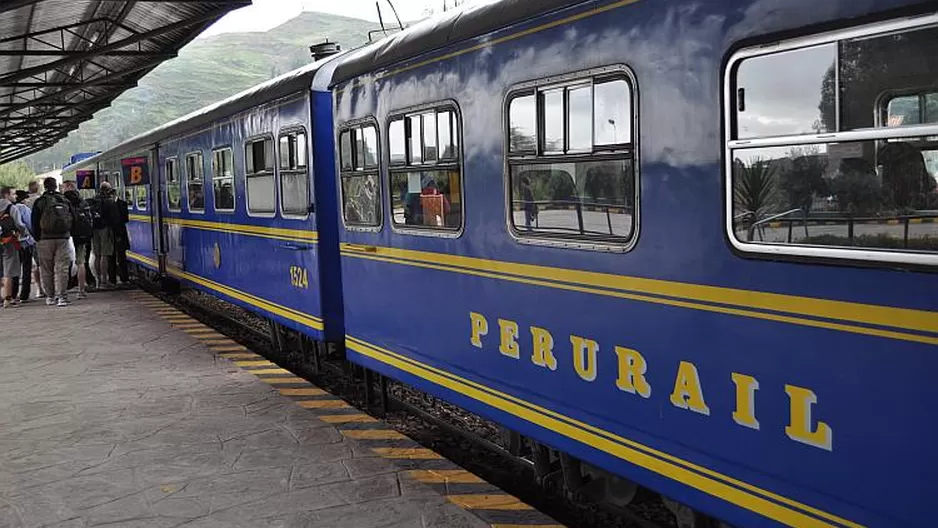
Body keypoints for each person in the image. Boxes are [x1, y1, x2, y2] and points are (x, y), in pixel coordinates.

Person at [31, 177, 74, 307]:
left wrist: (38, 238)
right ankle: (62, 297)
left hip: (44, 239)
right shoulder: (64, 200)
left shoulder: (40, 202)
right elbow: (73, 217)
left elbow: (34, 222)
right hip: (63, 238)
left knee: (46, 269)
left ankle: (50, 297)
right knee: (62, 268)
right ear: (56, 186)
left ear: (45, 186)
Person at [63, 186, 93, 299]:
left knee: (65, 264)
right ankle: (81, 290)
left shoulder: (65, 205)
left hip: (67, 238)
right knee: (81, 263)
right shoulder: (83, 204)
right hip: (82, 237)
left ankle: (63, 291)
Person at [0, 186, 27, 308]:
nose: (15, 196)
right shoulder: (11, 208)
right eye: (12, 194)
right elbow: (20, 225)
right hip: (9, 241)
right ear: (6, 195)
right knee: (9, 270)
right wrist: (23, 233)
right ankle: (8, 299)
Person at [10, 190, 35, 302]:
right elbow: (29, 225)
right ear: (23, 199)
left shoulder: (9, 208)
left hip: (11, 243)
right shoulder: (24, 209)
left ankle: (12, 293)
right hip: (25, 242)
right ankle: (24, 294)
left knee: (13, 269)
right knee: (26, 268)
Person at [91, 182, 117, 289]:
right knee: (104, 255)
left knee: (97, 255)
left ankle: (97, 280)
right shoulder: (109, 202)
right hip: (106, 229)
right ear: (108, 190)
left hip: (94, 229)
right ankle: (104, 281)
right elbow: (115, 219)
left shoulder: (93, 200)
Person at [111, 188, 130, 286]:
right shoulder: (109, 204)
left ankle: (124, 278)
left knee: (122, 256)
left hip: (121, 233)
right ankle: (113, 279)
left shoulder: (122, 204)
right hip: (111, 234)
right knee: (112, 257)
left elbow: (126, 219)